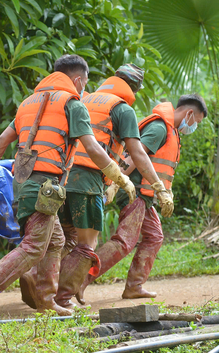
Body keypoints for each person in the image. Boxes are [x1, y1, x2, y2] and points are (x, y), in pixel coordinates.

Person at [0, 54, 136, 316]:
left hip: (23, 183)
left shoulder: (29, 103)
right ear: (78, 79)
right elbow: (91, 147)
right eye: (85, 82)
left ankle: (46, 300)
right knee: (34, 245)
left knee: (55, 240)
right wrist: (119, 176)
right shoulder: (72, 104)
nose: (84, 89)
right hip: (45, 185)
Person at [21, 64, 174, 310]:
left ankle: (35, 277)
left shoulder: (85, 99)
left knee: (66, 237)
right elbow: (137, 153)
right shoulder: (122, 109)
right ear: (134, 88)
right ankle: (63, 298)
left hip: (62, 175)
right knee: (86, 244)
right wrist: (159, 187)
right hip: (89, 179)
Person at [76, 94, 207, 303]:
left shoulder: (171, 130)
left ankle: (134, 286)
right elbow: (134, 156)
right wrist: (114, 183)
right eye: (196, 122)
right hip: (134, 192)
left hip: (145, 196)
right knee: (125, 241)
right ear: (189, 113)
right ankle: (78, 280)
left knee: (154, 236)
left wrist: (166, 192)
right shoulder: (159, 127)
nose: (193, 126)